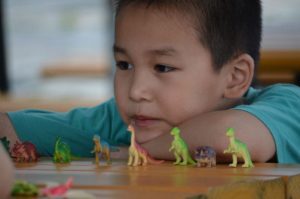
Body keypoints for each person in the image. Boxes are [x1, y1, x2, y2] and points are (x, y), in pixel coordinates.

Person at [1, 0, 300, 164]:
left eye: (163, 67)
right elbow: (11, 128)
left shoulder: (286, 106)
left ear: (235, 77)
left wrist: (126, 152)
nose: (136, 90)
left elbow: (225, 138)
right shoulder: (124, 123)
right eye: (124, 64)